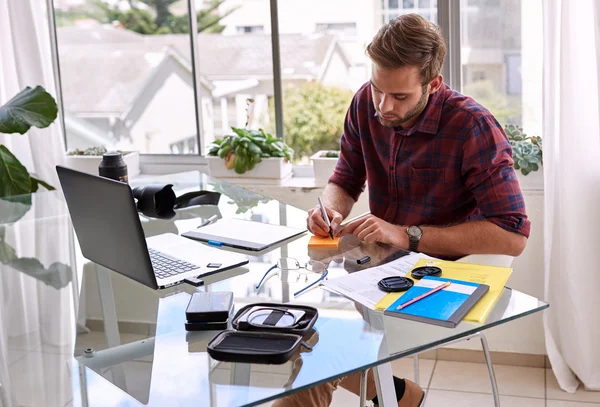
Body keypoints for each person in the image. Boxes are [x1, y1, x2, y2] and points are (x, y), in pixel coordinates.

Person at [288, 12, 530, 407]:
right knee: (296, 326)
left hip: (447, 278)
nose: (383, 105)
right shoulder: (367, 103)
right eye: (378, 89)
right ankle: (398, 395)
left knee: (318, 339)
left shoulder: (472, 126)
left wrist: (409, 235)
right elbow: (346, 179)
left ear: (433, 84)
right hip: (381, 267)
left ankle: (397, 394)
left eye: (400, 96)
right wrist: (329, 210)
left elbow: (513, 236)